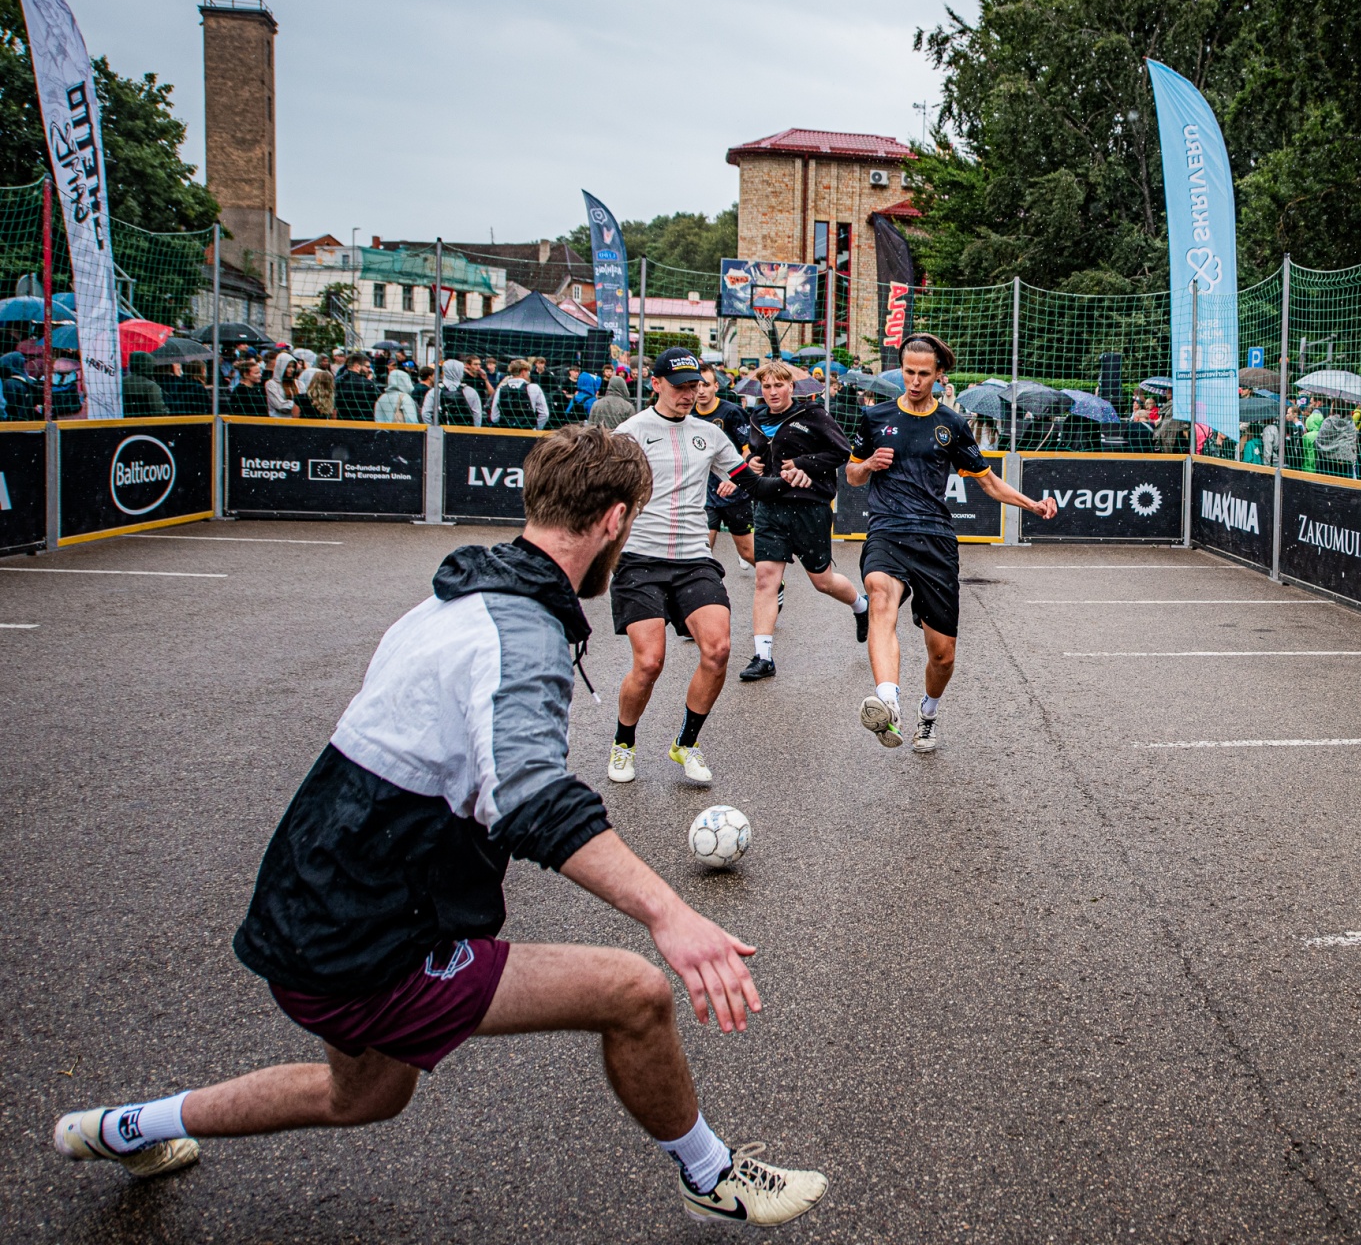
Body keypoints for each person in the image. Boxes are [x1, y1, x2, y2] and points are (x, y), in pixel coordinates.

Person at [49, 425, 827, 1225]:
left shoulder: (457, 599)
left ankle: (123, 1127)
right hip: (363, 937)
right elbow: (530, 798)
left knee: (362, 1096)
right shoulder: (519, 632)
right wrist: (670, 915)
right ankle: (709, 1177)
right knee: (631, 991)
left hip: (306, 901)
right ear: (615, 521)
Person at [847, 334, 1057, 752]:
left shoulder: (951, 425)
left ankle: (927, 714)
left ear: (939, 375)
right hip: (888, 529)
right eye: (909, 372)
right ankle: (889, 703)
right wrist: (868, 464)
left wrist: (1031, 504)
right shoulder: (874, 418)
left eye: (924, 374)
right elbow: (852, 476)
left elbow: (989, 483)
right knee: (879, 595)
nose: (915, 381)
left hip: (935, 539)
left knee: (942, 655)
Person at [604, 348, 758, 788]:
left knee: (719, 650)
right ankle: (624, 743)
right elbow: (602, 491)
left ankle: (686, 744)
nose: (689, 394)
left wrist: (794, 479)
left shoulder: (709, 434)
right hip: (640, 560)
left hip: (693, 559)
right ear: (655, 384)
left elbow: (749, 480)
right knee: (650, 662)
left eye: (695, 386)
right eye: (679, 387)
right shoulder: (630, 433)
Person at [735, 362, 868, 682]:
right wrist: (752, 462)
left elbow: (842, 452)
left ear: (791, 387)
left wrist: (802, 463)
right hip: (769, 507)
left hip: (810, 507)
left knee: (822, 581)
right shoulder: (757, 418)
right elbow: (758, 453)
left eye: (779, 386)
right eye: (767, 386)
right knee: (765, 580)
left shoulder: (813, 416)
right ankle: (763, 656)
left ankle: (861, 607)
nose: (772, 392)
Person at [693, 364, 760, 580]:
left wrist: (735, 479)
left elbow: (748, 450)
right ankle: (701, 589)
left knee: (747, 552)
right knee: (701, 551)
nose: (701, 390)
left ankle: (775, 581)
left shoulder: (732, 412)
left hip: (734, 493)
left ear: (715, 386)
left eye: (706, 385)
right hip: (705, 494)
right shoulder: (688, 414)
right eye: (696, 385)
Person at [421, 359, 483, 426]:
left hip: (441, 430)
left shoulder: (434, 392)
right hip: (465, 430)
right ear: (460, 372)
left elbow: (425, 414)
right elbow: (477, 415)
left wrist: (433, 428)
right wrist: (473, 430)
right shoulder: (470, 392)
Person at [492, 360, 549, 429]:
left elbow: (494, 417)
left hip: (506, 431)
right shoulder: (534, 388)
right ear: (523, 372)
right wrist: (537, 428)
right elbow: (544, 414)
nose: (529, 374)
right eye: (528, 371)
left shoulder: (500, 390)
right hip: (527, 430)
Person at [334, 355, 379, 421]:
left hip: (342, 422)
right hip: (364, 422)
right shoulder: (367, 384)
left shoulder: (337, 381)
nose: (369, 369)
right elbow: (380, 399)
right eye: (367, 367)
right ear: (357, 366)